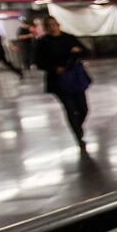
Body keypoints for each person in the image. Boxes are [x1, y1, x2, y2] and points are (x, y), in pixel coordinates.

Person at [35, 16, 91, 149]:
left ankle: (78, 126)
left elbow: (86, 52)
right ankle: (78, 137)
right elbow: (39, 62)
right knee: (70, 109)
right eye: (49, 26)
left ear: (58, 25)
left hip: (75, 78)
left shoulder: (69, 38)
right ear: (45, 28)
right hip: (58, 81)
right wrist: (54, 68)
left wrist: (79, 52)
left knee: (83, 108)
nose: (52, 28)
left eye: (54, 25)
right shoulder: (43, 42)